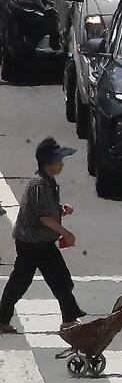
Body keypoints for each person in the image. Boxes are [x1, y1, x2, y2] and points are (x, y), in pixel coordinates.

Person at [0, 138, 85, 334]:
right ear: (48, 163)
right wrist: (66, 233)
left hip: (41, 242)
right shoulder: (39, 184)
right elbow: (44, 217)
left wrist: (61, 210)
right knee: (23, 281)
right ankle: (69, 317)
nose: (62, 165)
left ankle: (70, 316)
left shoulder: (48, 182)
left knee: (59, 278)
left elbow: (47, 210)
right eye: (58, 161)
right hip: (32, 243)